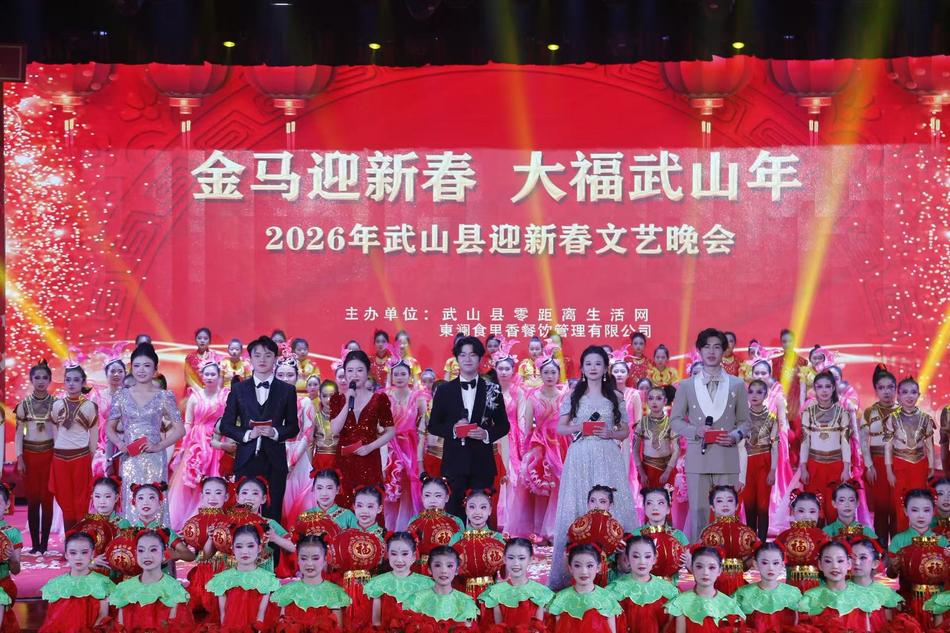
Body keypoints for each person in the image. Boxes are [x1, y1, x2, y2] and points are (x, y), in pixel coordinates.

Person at [549, 346, 637, 590]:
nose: (593, 368)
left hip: (608, 454)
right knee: (579, 504)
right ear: (582, 368)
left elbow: (625, 430)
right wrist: (580, 427)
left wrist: (611, 433)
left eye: (598, 363)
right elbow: (560, 428)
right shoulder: (573, 395)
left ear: (605, 367)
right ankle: (574, 574)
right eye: (588, 364)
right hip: (580, 456)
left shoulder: (616, 396)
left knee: (611, 504)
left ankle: (617, 572)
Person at [670, 328, 751, 540]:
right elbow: (675, 421)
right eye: (707, 347)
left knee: (726, 513)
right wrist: (695, 430)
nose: (712, 352)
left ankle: (728, 554)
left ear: (724, 351)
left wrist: (735, 435)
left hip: (727, 456)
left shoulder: (737, 384)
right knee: (699, 513)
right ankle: (699, 555)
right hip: (698, 456)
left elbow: (745, 422)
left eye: (717, 347)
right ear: (699, 351)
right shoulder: (686, 385)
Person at [428, 336, 510, 520]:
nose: (467, 359)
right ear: (457, 358)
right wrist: (453, 429)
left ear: (480, 358)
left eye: (472, 355)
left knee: (480, 516)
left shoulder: (492, 389)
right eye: (463, 355)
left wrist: (486, 433)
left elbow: (504, 425)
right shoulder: (444, 390)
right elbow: (433, 425)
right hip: (454, 463)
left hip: (482, 463)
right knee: (454, 515)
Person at [219, 335, 300, 521]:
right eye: (257, 355)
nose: (262, 359)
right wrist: (248, 434)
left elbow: (293, 427)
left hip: (275, 461)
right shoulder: (239, 389)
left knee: (273, 512)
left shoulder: (287, 390)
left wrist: (275, 432)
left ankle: (272, 541)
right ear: (250, 359)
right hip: (246, 458)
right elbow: (226, 425)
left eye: (268, 355)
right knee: (243, 513)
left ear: (275, 359)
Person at [107, 342, 185, 522]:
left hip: (154, 458)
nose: (141, 370)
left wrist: (158, 446)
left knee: (154, 499)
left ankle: (157, 536)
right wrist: (120, 444)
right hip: (130, 458)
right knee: (131, 500)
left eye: (147, 365)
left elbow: (180, 430)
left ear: (155, 369)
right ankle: (131, 537)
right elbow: (109, 427)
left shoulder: (164, 396)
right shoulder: (121, 395)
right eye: (137, 366)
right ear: (131, 368)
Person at [507, 347, 568, 541]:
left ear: (558, 374)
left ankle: (556, 529)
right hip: (540, 445)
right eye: (546, 372)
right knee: (540, 487)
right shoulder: (532, 397)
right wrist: (526, 452)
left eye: (553, 372)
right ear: (540, 374)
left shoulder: (565, 396)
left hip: (561, 445)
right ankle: (540, 529)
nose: (550, 376)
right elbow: (526, 426)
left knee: (560, 486)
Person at [329, 350, 396, 508]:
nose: (355, 375)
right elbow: (335, 429)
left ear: (367, 372)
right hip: (344, 461)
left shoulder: (379, 399)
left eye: (359, 370)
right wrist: (348, 402)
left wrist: (370, 447)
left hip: (369, 459)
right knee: (344, 505)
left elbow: (391, 431)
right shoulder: (337, 399)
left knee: (369, 502)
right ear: (345, 374)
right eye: (350, 371)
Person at [168, 360, 229, 529]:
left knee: (215, 477)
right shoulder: (195, 396)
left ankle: (214, 519)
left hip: (217, 441)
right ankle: (191, 521)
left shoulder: (225, 397)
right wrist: (185, 446)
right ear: (201, 376)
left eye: (213, 374)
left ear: (219, 376)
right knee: (193, 481)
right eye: (206, 374)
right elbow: (188, 423)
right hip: (196, 442)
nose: (209, 377)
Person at [49, 363, 99, 532]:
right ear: (64, 382)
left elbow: (94, 433)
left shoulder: (90, 406)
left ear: (83, 382)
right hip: (60, 458)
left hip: (81, 456)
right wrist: (57, 447)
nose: (71, 384)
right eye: (68, 380)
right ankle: (70, 539)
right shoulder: (57, 405)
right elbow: (54, 430)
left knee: (81, 499)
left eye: (76, 380)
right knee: (64, 499)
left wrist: (91, 455)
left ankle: (81, 539)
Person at [109, 529, 192, 628]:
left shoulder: (175, 590)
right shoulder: (124, 589)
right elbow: (120, 627)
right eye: (141, 550)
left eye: (153, 550)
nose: (146, 555)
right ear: (136, 554)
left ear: (164, 553)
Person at [797, 540, 887, 630]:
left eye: (840, 561)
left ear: (849, 564)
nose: (835, 566)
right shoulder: (810, 598)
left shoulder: (864, 598)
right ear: (820, 565)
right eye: (828, 561)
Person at [15, 359, 56, 554]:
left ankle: (45, 544)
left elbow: (58, 433)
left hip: (49, 455)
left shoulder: (56, 404)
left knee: (47, 500)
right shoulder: (23, 405)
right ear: (31, 380)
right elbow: (18, 434)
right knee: (33, 501)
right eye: (37, 377)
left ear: (50, 380)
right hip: (29, 457)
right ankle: (34, 545)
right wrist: (19, 457)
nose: (40, 381)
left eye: (44, 377)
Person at [798, 371, 851, 521]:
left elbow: (845, 442)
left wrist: (846, 468)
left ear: (834, 388)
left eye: (828, 386)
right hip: (814, 466)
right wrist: (803, 468)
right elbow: (804, 442)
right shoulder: (808, 413)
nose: (824, 390)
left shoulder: (842, 413)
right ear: (814, 389)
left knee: (835, 509)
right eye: (819, 387)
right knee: (815, 509)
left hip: (836, 466)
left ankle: (834, 536)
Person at [206, 524, 280, 630]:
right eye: (239, 546)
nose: (244, 551)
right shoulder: (223, 579)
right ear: (233, 549)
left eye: (250, 546)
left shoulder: (267, 579)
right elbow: (223, 616)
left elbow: (261, 615)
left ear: (259, 548)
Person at [268, 535, 350, 629]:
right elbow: (281, 626)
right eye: (304, 558)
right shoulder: (287, 591)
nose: (309, 563)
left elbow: (338, 629)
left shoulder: (334, 593)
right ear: (298, 560)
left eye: (315, 558)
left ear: (325, 559)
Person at [886, 376, 935, 533]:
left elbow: (929, 445)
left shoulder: (925, 418)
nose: (909, 396)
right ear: (898, 395)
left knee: (920, 502)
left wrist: (932, 466)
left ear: (918, 395)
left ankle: (920, 538)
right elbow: (888, 446)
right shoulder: (892, 418)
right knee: (901, 504)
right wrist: (889, 471)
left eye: (913, 392)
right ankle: (902, 540)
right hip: (899, 465)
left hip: (920, 465)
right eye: (905, 392)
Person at [272, 349, 316, 524]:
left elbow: (308, 433)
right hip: (275, 454)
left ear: (297, 377)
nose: (285, 379)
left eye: (290, 375)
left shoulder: (305, 402)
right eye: (280, 375)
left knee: (299, 504)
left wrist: (291, 461)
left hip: (298, 455)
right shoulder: (268, 403)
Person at [39, 531, 114, 633]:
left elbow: (103, 616)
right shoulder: (56, 584)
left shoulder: (102, 582)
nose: (78, 557)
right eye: (73, 553)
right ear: (66, 555)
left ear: (92, 554)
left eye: (84, 552)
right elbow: (52, 618)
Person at [384, 353, 426, 530]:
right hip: (390, 446)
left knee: (409, 487)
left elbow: (423, 427)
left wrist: (420, 454)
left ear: (410, 375)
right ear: (391, 376)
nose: (400, 377)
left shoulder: (418, 397)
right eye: (396, 374)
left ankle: (407, 529)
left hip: (410, 447)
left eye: (403, 374)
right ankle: (390, 530)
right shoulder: (386, 396)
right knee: (391, 489)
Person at [861, 364, 899, 547]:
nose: (887, 391)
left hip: (899, 463)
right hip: (876, 464)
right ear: (876, 390)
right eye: (882, 388)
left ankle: (897, 548)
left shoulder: (904, 411)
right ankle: (881, 548)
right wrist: (869, 466)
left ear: (896, 389)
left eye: (890, 387)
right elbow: (863, 441)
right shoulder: (869, 412)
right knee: (881, 506)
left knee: (898, 506)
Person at [607, 535, 678, 633]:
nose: (642, 562)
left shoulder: (669, 591)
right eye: (636, 556)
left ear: (654, 559)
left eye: (647, 556)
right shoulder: (614, 590)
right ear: (627, 559)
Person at [664, 547, 745, 633]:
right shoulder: (681, 602)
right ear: (692, 568)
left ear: (719, 571)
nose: (705, 572)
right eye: (699, 567)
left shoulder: (729, 604)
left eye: (711, 567)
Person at [364, 532, 434, 629]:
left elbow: (430, 622)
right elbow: (376, 623)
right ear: (387, 555)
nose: (399, 560)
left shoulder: (428, 584)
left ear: (413, 556)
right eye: (394, 554)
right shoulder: (376, 583)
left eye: (405, 554)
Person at [548, 543, 622, 632]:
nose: (583, 571)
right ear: (570, 568)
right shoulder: (560, 599)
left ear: (598, 567)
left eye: (589, 566)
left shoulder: (607, 598)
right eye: (577, 566)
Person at [479, 538, 553, 627]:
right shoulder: (495, 592)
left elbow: (539, 627)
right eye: (511, 558)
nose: (516, 563)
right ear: (504, 559)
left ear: (530, 559)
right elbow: (498, 628)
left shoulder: (539, 592)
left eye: (521, 558)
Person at [739, 379, 779, 542]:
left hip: (764, 463)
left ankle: (761, 543)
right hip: (746, 464)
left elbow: (774, 446)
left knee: (762, 505)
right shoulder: (741, 418)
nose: (754, 395)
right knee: (749, 504)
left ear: (766, 395)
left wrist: (773, 470)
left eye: (759, 392)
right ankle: (750, 542)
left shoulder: (771, 418)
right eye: (751, 391)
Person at [402, 545, 479, 626]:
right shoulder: (416, 600)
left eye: (449, 566)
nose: (444, 571)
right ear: (429, 570)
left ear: (457, 570)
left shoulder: (465, 602)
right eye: (438, 565)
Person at [733, 542, 802, 632]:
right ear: (755, 564)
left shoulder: (792, 593)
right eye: (765, 563)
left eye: (775, 563)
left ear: (782, 565)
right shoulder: (743, 594)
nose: (771, 568)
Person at [90, 345, 127, 477]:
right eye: (113, 371)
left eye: (120, 371)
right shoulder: (97, 396)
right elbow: (92, 424)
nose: (116, 374)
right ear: (106, 373)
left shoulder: (130, 395)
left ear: (125, 373)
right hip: (103, 442)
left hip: (125, 439)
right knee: (105, 477)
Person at [849, 537, 901, 631]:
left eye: (863, 557)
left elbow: (889, 625)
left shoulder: (884, 593)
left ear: (875, 563)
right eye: (852, 557)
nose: (856, 562)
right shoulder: (840, 590)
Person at [633, 386, 678, 488]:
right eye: (650, 398)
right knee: (649, 497)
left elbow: (676, 450)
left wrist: (667, 471)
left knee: (667, 497)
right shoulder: (641, 424)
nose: (654, 402)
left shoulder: (671, 423)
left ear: (665, 401)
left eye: (658, 398)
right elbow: (635, 450)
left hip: (667, 469)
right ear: (647, 401)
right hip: (647, 470)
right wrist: (642, 473)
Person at [312, 379, 339, 472]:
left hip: (339, 461)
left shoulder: (343, 418)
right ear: (320, 396)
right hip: (319, 461)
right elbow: (309, 443)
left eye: (332, 396)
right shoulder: (315, 418)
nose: (328, 400)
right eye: (324, 396)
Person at [184, 327, 218, 396]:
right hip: (194, 393)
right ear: (195, 340)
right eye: (199, 338)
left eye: (205, 338)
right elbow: (188, 378)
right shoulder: (190, 357)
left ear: (210, 341)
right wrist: (199, 390)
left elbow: (218, 376)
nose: (202, 341)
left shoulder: (215, 356)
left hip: (211, 392)